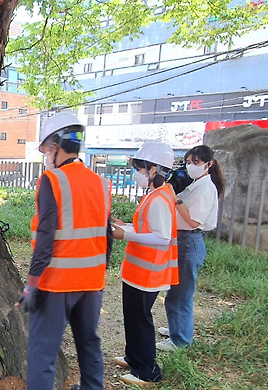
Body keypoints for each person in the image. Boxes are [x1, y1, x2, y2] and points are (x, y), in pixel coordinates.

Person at [16, 112, 112, 390]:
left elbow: (46, 235)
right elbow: (106, 235)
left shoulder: (52, 180)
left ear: (56, 146)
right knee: (89, 343)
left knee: (43, 352)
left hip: (57, 282)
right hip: (92, 283)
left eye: (47, 149)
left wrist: (31, 285)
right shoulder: (101, 184)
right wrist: (98, 273)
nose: (47, 156)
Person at [111, 141, 179, 386]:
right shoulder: (154, 194)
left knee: (140, 319)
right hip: (137, 271)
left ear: (153, 170)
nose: (136, 173)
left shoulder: (160, 199)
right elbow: (145, 228)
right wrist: (124, 226)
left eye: (139, 169)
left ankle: (147, 370)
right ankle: (134, 357)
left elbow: (162, 238)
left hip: (148, 272)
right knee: (132, 316)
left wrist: (125, 234)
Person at [156, 145, 225, 352]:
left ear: (208, 164)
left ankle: (181, 340)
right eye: (188, 162)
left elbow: (193, 221)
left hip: (189, 240)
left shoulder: (205, 188)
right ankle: (176, 329)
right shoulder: (196, 184)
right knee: (175, 292)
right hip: (182, 240)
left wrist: (175, 199)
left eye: (196, 163)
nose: (191, 167)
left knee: (180, 295)